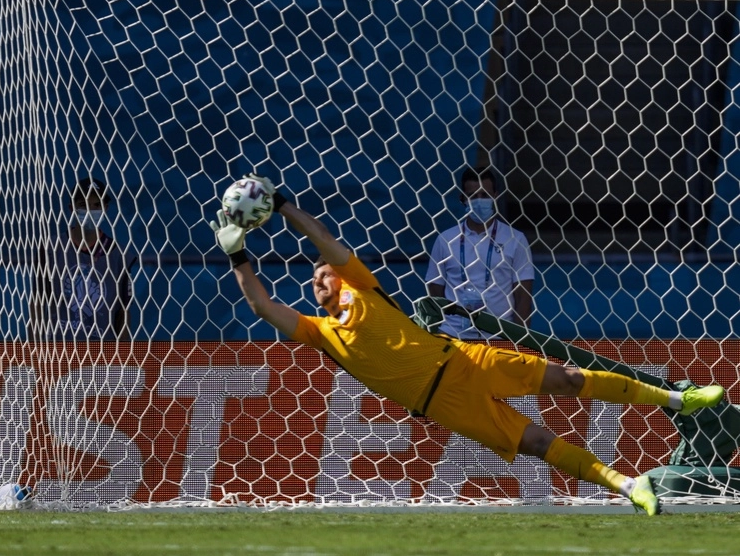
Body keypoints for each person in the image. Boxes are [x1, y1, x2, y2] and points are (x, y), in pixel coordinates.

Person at [210, 173, 726, 515]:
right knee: (538, 444)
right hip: (443, 403)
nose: (319, 277)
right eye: (315, 280)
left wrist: (281, 206)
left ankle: (681, 398)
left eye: (325, 274)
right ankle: (629, 487)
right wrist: (239, 258)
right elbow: (262, 307)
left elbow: (323, 239)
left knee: (566, 378)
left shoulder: (365, 289)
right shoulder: (319, 332)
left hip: (463, 358)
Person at [425, 166, 533, 339]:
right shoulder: (445, 239)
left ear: (495, 196)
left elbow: (523, 296)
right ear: (463, 199)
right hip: (453, 335)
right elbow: (434, 289)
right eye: (473, 196)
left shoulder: (515, 239)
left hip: (499, 335)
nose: (479, 200)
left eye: (485, 195)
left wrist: (520, 341)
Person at [30, 177, 132, 340]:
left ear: (105, 208)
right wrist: (35, 348)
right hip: (60, 350)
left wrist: (122, 356)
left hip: (103, 354)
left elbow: (123, 313)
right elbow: (37, 303)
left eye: (97, 205)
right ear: (72, 208)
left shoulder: (117, 254)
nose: (91, 210)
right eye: (83, 205)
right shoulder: (52, 249)